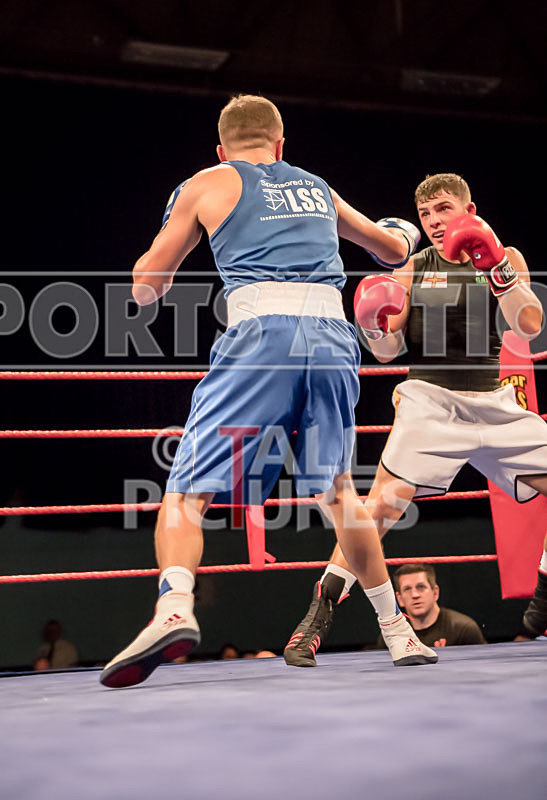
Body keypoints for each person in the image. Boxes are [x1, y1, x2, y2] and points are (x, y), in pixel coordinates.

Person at [100, 94, 437, 688]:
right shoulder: (317, 186)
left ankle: (176, 606)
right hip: (334, 339)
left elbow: (148, 285)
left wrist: (158, 257)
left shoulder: (206, 183)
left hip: (261, 336)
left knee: (186, 492)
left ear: (222, 148)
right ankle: (397, 629)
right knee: (338, 494)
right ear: (281, 146)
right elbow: (392, 251)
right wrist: (397, 231)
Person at [284, 172, 546, 667]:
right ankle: (316, 617)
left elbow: (527, 325)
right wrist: (371, 324)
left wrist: (495, 267)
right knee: (379, 508)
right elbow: (387, 352)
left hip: (494, 403)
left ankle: (545, 591)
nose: (433, 222)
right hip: (431, 401)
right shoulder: (411, 266)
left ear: (469, 208)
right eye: (425, 214)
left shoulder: (504, 256)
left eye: (443, 209)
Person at [375, 564, 487, 649]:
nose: (415, 595)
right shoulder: (392, 635)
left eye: (421, 587)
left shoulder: (463, 629)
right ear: (399, 599)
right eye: (407, 589)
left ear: (435, 592)